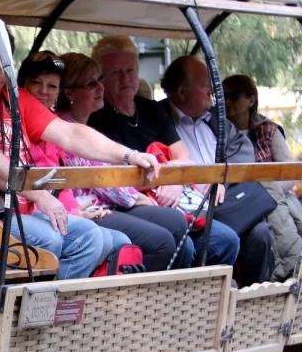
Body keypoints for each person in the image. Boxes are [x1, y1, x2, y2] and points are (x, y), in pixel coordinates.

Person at [0, 24, 161, 280]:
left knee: (101, 239)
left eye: (1, 54)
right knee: (52, 238)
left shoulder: (16, 98)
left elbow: (70, 133)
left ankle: (49, 308)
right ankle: (33, 309)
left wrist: (128, 155)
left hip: (20, 211)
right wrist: (41, 195)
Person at [87, 35, 239, 270]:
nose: (126, 79)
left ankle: (204, 299)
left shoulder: (151, 109)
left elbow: (183, 157)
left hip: (174, 198)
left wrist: (175, 182)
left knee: (227, 240)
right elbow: (106, 177)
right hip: (132, 202)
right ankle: (174, 303)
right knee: (184, 245)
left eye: (130, 70)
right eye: (116, 73)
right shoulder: (96, 118)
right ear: (101, 80)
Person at [55, 52, 192, 271]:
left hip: (108, 203)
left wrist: (135, 196)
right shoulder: (63, 127)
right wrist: (135, 198)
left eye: (100, 80)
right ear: (69, 92)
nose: (101, 88)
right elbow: (99, 177)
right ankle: (134, 300)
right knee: (163, 241)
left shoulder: (83, 124)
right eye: (92, 84)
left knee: (178, 223)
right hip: (89, 209)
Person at [161, 56, 272, 283]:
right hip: (192, 209)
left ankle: (255, 303)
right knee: (220, 238)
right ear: (182, 92)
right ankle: (219, 301)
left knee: (261, 233)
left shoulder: (215, 119)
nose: (212, 91)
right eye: (205, 86)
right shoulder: (159, 118)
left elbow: (241, 149)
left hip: (225, 201)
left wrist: (222, 179)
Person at [18, 52, 133, 262]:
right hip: (32, 212)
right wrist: (74, 213)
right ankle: (54, 293)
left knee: (121, 241)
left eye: (52, 86)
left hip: (62, 210)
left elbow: (60, 183)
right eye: (36, 83)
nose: (44, 92)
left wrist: (73, 211)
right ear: (21, 86)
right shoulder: (17, 125)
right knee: (101, 239)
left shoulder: (54, 126)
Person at [224, 74, 302, 280]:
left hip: (277, 196)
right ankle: (291, 267)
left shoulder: (268, 130)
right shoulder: (217, 132)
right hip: (239, 200)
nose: (227, 100)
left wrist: (267, 192)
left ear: (251, 100)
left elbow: (290, 172)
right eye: (222, 96)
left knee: (289, 213)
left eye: (234, 95)